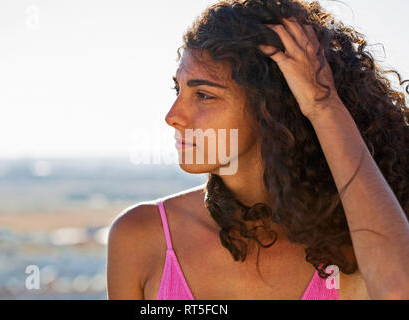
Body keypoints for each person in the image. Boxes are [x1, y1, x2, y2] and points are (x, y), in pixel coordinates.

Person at [107, 0, 409, 300]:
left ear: (269, 109)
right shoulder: (141, 237)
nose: (173, 116)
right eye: (179, 90)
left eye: (203, 95)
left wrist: (322, 105)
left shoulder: (349, 246)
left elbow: (397, 288)